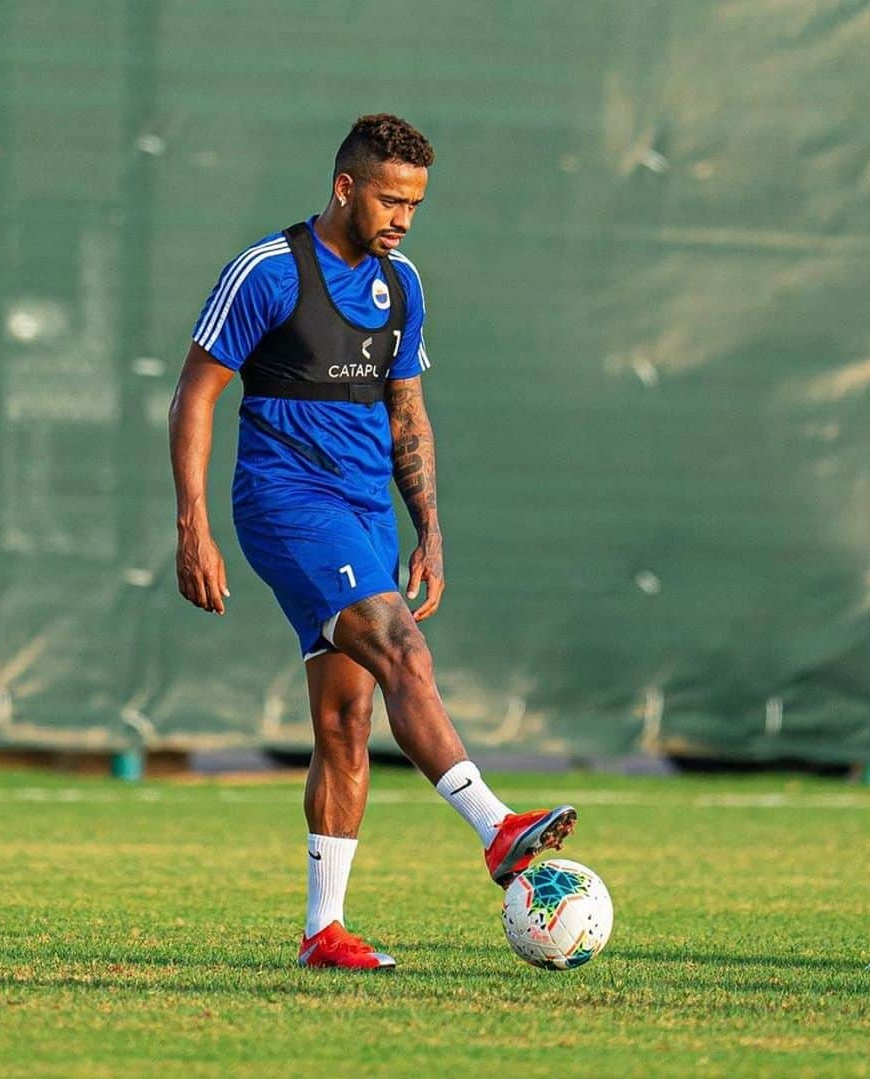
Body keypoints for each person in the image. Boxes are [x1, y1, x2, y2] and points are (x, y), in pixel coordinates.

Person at [169, 114, 575, 970]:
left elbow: (407, 411)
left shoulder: (404, 283)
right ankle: (497, 828)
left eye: (417, 203)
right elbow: (195, 395)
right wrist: (192, 524)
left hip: (365, 514)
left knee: (346, 720)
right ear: (346, 186)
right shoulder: (269, 272)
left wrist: (428, 528)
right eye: (391, 198)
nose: (403, 217)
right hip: (284, 504)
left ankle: (325, 930)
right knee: (401, 647)